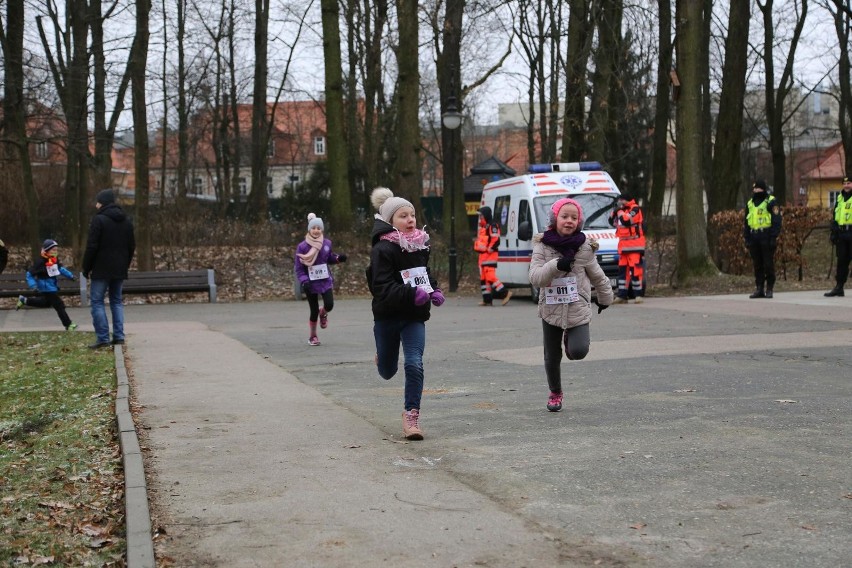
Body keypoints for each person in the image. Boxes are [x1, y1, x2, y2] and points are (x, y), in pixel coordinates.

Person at [366, 187, 444, 440]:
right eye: (403, 215)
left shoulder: (420, 245)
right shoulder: (382, 250)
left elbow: (423, 275)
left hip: (414, 316)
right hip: (387, 316)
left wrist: (434, 291)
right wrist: (413, 294)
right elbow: (381, 287)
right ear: (390, 222)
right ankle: (382, 356)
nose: (410, 220)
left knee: (414, 363)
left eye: (412, 214)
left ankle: (411, 415)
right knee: (388, 371)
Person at [529, 198, 613, 412]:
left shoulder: (585, 247)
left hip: (577, 307)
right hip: (551, 308)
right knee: (552, 354)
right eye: (564, 217)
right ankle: (555, 392)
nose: (569, 221)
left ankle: (571, 338)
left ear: (579, 222)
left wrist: (605, 298)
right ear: (554, 219)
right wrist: (556, 265)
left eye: (574, 218)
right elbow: (535, 277)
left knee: (578, 351)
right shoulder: (542, 245)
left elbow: (598, 276)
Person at [82, 189, 136, 349]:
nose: (96, 204)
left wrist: (86, 267)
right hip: (119, 268)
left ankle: (103, 337)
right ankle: (119, 336)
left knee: (97, 302)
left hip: (101, 268)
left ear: (103, 202)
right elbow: (131, 246)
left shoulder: (98, 220)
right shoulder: (126, 221)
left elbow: (92, 246)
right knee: (116, 301)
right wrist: (125, 264)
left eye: (98, 201)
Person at [294, 213, 347, 346]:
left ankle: (323, 313)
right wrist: (304, 280)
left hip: (324, 280)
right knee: (313, 310)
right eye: (313, 228)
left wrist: (338, 259)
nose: (316, 230)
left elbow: (329, 258)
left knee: (329, 304)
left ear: (322, 229)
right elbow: (299, 268)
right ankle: (313, 336)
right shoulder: (302, 247)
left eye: (319, 228)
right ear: (309, 230)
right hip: (310, 283)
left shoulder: (327, 243)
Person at [16, 239, 79, 330]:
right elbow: (29, 274)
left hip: (52, 286)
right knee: (59, 305)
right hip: (45, 287)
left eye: (56, 250)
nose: (55, 251)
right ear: (47, 250)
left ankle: (24, 300)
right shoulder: (40, 262)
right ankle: (68, 325)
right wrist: (33, 285)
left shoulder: (54, 260)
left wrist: (71, 276)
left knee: (46, 303)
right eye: (53, 250)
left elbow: (60, 269)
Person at [743, 179, 782, 299]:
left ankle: (769, 288)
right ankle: (759, 288)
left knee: (768, 264)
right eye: (754, 189)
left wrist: (773, 237)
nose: (756, 191)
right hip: (754, 237)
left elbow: (776, 221)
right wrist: (747, 238)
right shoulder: (750, 203)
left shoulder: (771, 201)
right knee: (757, 265)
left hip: (766, 236)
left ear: (763, 189)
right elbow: (746, 222)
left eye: (758, 188)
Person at [608, 193, 646, 304]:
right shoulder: (621, 211)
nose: (620, 202)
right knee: (622, 273)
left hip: (635, 246)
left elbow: (627, 221)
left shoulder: (635, 209)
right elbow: (611, 222)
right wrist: (614, 212)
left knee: (635, 271)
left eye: (621, 200)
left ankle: (638, 295)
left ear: (626, 200)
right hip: (623, 248)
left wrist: (619, 211)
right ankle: (622, 296)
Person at [473, 206, 511, 306]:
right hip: (483, 256)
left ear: (485, 215)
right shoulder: (484, 227)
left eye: (481, 216)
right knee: (484, 279)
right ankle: (487, 300)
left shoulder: (492, 225)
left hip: (490, 255)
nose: (480, 218)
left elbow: (496, 239)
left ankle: (505, 293)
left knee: (490, 276)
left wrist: (490, 249)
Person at [825, 176, 852, 297]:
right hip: (842, 234)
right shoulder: (840, 198)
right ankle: (839, 287)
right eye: (844, 183)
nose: (846, 185)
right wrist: (834, 232)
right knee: (841, 261)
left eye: (849, 183)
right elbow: (836, 216)